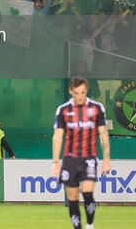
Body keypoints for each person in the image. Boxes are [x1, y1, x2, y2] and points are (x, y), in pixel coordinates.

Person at [52, 77, 111, 229]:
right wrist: (56, 162)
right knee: (72, 197)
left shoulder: (97, 108)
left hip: (89, 158)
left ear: (86, 91)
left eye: (83, 92)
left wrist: (106, 159)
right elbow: (58, 136)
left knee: (87, 193)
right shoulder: (63, 110)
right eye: (77, 93)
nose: (80, 96)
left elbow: (103, 134)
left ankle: (90, 225)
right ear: (71, 91)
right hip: (70, 159)